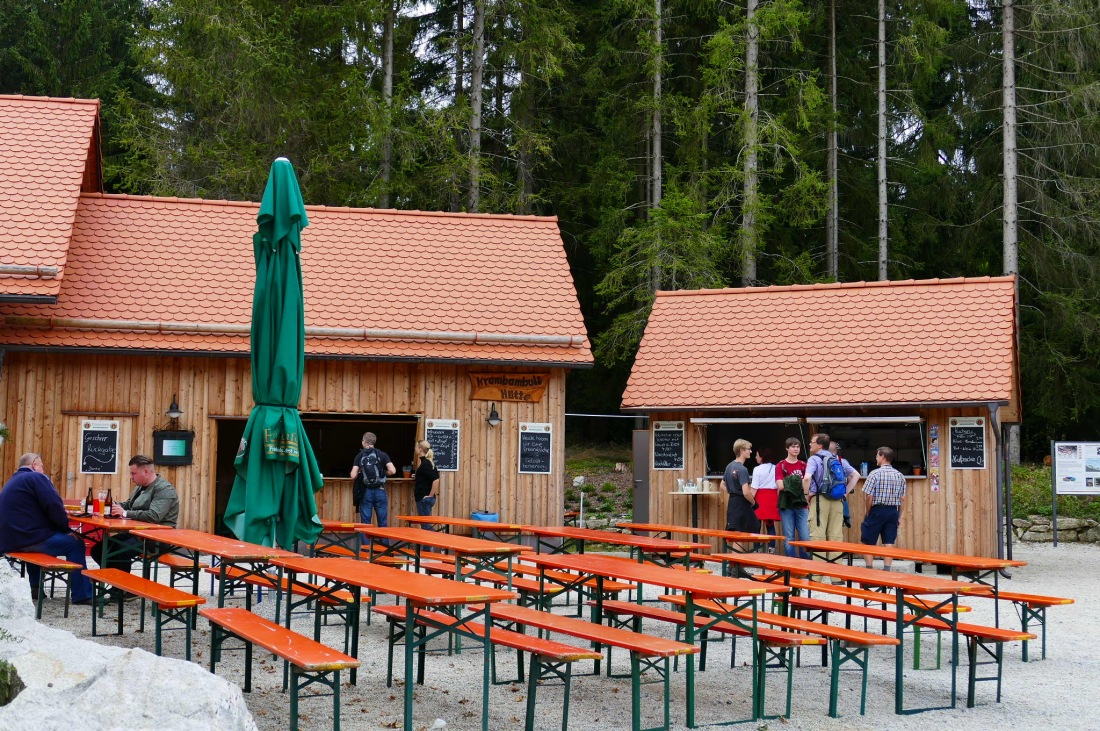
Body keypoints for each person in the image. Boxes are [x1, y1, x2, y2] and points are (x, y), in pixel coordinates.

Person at [0, 453, 94, 605]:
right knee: (76, 543)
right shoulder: (36, 478)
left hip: (9, 540)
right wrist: (65, 529)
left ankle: (36, 587)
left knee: (37, 541)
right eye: (42, 467)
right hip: (26, 539)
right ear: (34, 465)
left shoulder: (13, 481)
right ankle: (82, 594)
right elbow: (54, 506)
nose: (43, 471)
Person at [91, 454, 179, 579]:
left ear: (146, 471)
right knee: (98, 550)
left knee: (118, 552)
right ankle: (120, 585)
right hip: (138, 533)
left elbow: (154, 516)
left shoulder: (164, 489)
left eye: (133, 473)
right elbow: (128, 505)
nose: (131, 477)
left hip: (158, 538)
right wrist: (111, 505)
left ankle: (123, 589)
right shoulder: (140, 486)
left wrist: (124, 513)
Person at [802, 433, 859, 570]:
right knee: (835, 536)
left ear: (820, 445)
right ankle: (836, 574)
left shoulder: (814, 459)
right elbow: (856, 475)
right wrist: (845, 493)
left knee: (818, 536)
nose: (810, 444)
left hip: (819, 500)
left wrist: (805, 495)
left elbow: (807, 478)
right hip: (837, 500)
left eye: (812, 442)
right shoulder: (839, 460)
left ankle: (817, 574)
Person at [860, 446, 907, 570]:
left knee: (868, 540)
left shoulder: (874, 474)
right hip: (893, 511)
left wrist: (868, 511)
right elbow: (903, 499)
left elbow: (869, 496)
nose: (876, 458)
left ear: (882, 457)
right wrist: (899, 516)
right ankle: (887, 569)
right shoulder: (900, 475)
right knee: (889, 541)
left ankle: (869, 569)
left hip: (877, 510)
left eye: (877, 455)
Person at [351, 432, 396, 527]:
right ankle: (383, 542)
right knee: (382, 522)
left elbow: (353, 475)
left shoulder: (359, 456)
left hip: (366, 491)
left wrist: (361, 471)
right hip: (380, 490)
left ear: (364, 442)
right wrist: (383, 473)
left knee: (365, 523)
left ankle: (365, 542)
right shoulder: (382, 454)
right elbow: (392, 470)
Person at [775, 437, 810, 559]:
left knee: (805, 537)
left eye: (798, 446)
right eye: (793, 446)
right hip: (786, 505)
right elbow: (780, 486)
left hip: (802, 505)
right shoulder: (780, 465)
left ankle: (807, 567)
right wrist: (799, 482)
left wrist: (790, 481)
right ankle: (792, 566)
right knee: (789, 538)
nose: (796, 449)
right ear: (787, 448)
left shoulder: (803, 465)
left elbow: (807, 484)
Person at [722, 439, 760, 534]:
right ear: (742, 450)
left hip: (732, 502)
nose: (750, 451)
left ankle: (737, 550)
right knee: (755, 526)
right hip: (741, 503)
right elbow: (746, 492)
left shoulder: (729, 466)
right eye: (748, 449)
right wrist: (754, 503)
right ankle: (757, 549)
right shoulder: (742, 469)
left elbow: (722, 485)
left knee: (735, 530)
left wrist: (733, 491)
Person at [750, 447, 780, 538]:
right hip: (772, 499)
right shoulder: (776, 467)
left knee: (756, 526)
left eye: (757, 455)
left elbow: (754, 487)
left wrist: (749, 500)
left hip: (760, 499)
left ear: (762, 457)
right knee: (770, 526)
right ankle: (771, 549)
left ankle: (757, 549)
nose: (756, 457)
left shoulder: (757, 469)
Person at [413, 439, 440, 525]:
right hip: (424, 498)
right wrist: (417, 475)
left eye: (416, 447)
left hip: (424, 498)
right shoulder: (427, 462)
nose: (415, 449)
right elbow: (427, 476)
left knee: (425, 525)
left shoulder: (425, 464)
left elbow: (436, 479)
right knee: (425, 524)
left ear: (420, 449)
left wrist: (430, 496)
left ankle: (436, 538)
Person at [830, 441, 855, 529]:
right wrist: (846, 492)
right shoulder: (842, 461)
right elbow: (854, 475)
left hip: (822, 497)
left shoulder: (818, 459)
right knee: (836, 527)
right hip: (839, 497)